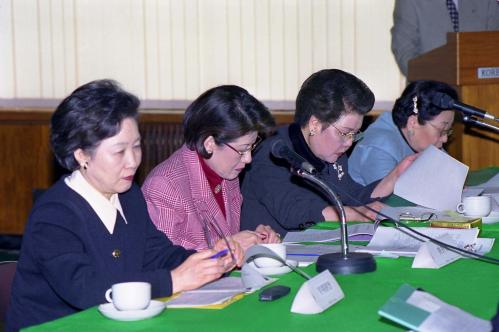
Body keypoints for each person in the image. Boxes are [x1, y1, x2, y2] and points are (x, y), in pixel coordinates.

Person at [6, 80, 240, 331]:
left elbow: (158, 254)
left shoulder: (129, 197)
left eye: (137, 146)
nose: (133, 162)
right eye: (119, 152)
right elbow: (87, 290)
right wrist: (173, 281)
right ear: (81, 154)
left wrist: (208, 261)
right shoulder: (53, 215)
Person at [240, 69, 415, 236]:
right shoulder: (274, 153)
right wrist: (355, 214)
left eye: (354, 134)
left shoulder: (332, 152)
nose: (348, 143)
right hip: (272, 260)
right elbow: (297, 211)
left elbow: (351, 197)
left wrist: (395, 176)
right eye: (345, 133)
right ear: (315, 124)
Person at [142, 85, 280, 252]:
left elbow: (224, 237)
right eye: (243, 149)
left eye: (252, 146)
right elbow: (166, 261)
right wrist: (230, 247)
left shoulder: (226, 172)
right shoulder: (164, 187)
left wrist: (255, 239)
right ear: (209, 144)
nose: (248, 159)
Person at [349, 80, 457, 185]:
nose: (445, 139)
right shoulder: (379, 148)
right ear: (413, 123)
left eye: (448, 131)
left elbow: (452, 176)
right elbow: (391, 200)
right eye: (442, 131)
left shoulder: (420, 139)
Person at [391, 0, 499, 76]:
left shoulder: (486, 2)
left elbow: (494, 48)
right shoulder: (410, 2)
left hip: (480, 95)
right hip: (430, 98)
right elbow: (405, 57)